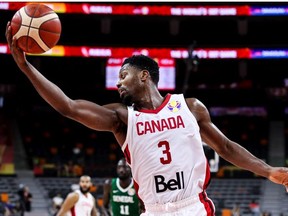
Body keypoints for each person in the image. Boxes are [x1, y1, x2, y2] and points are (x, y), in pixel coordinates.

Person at [6, 23, 288, 216]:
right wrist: (25, 67)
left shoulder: (189, 107)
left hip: (193, 207)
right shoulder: (122, 118)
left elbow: (225, 148)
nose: (118, 84)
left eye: (123, 76)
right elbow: (68, 106)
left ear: (144, 76)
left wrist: (268, 171)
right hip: (152, 210)